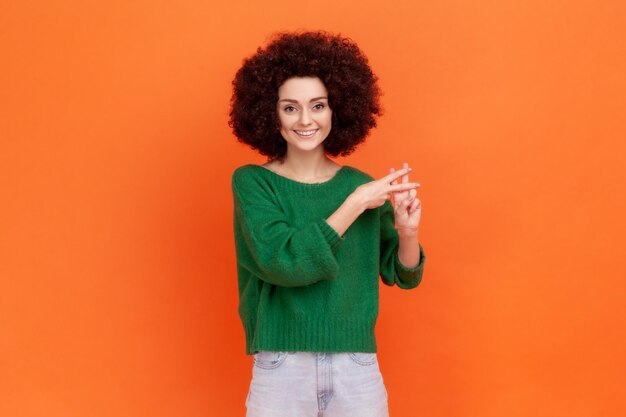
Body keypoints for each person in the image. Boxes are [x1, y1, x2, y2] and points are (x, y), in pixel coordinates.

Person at [228, 31, 426, 417]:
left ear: (336, 109)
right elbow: (284, 261)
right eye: (290, 108)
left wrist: (408, 231)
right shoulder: (254, 182)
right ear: (271, 114)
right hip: (281, 367)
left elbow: (403, 274)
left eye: (318, 105)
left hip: (356, 366)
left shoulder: (360, 186)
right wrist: (352, 205)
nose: (306, 120)